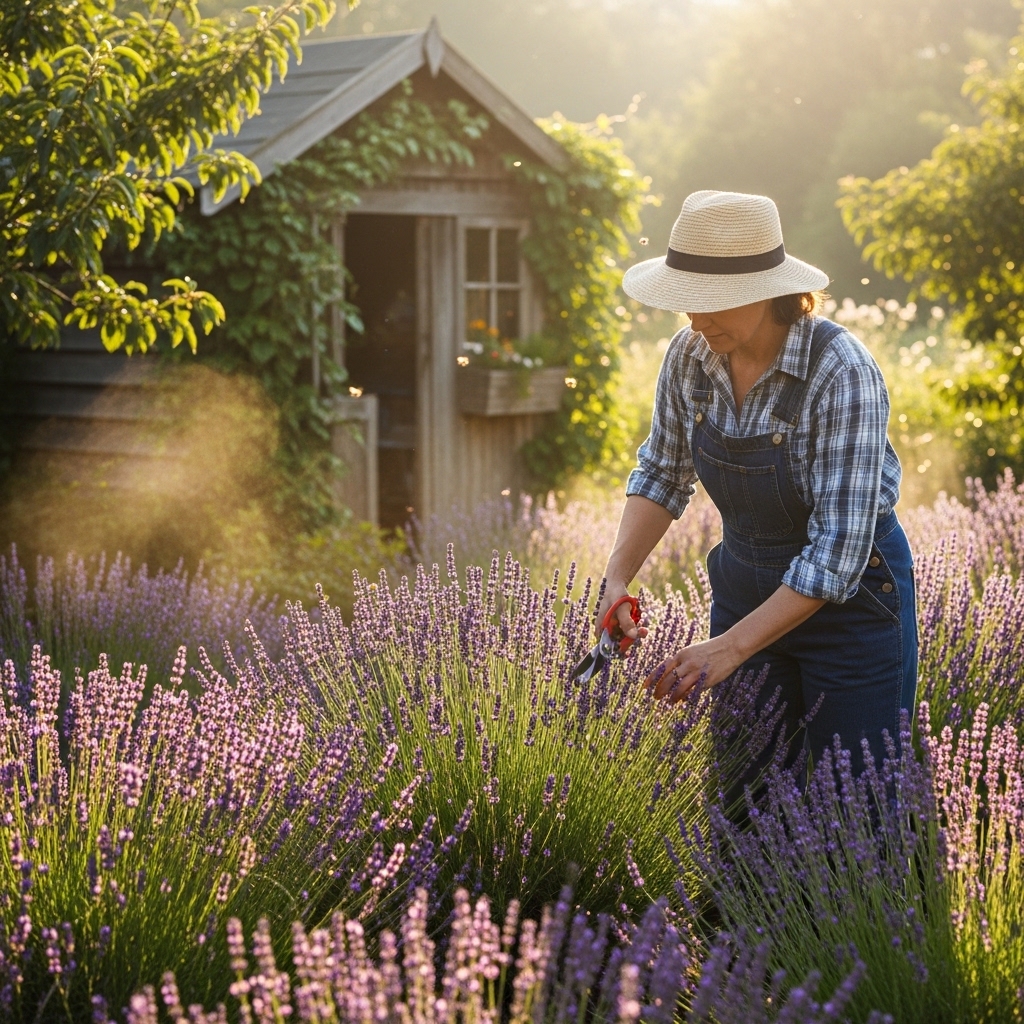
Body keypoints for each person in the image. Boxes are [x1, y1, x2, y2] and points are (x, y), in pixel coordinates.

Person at [599, 190, 917, 779]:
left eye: (713, 302)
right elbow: (663, 472)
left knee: (857, 809)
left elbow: (836, 556)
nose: (697, 320)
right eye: (687, 303)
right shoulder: (690, 356)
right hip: (745, 587)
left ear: (768, 291)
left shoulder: (841, 371)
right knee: (747, 806)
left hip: (854, 607)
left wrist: (729, 648)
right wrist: (616, 577)